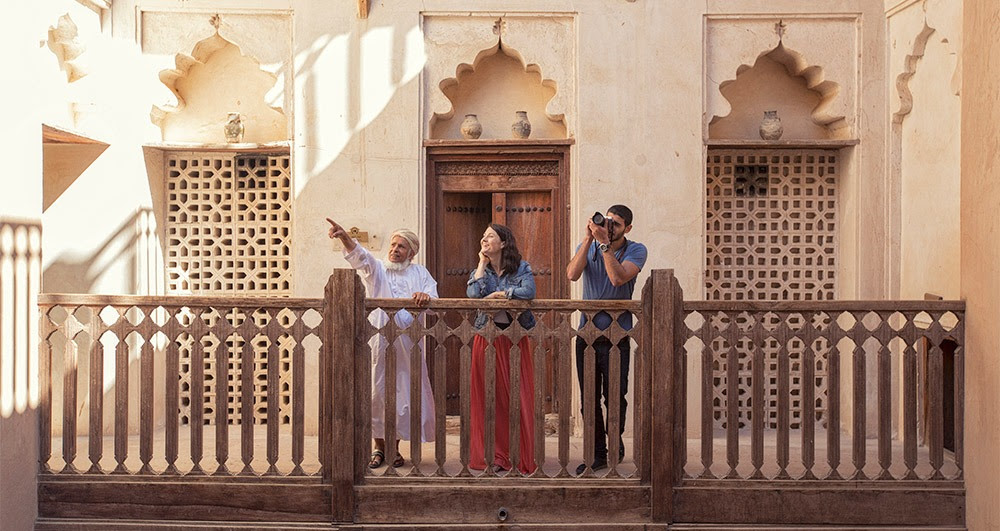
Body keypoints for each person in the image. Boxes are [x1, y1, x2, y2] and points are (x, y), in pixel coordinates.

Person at [327, 218, 437, 469]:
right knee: (377, 394)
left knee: (403, 397)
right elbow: (360, 257)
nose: (395, 249)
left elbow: (433, 300)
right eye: (393, 244)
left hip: (408, 344)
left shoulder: (420, 273)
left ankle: (394, 449)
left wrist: (425, 296)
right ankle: (378, 449)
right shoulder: (378, 269)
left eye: (401, 246)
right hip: (379, 342)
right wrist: (345, 237)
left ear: (412, 252)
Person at [566, 204, 647, 475]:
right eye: (608, 221)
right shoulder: (590, 244)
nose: (610, 228)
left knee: (614, 396)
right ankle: (597, 454)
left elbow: (617, 278)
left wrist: (604, 246)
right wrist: (589, 239)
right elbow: (571, 274)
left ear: (628, 229)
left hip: (617, 335)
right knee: (589, 398)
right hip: (587, 334)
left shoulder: (636, 249)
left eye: (617, 224)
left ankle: (616, 441)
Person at [467, 223, 537, 474]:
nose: (484, 240)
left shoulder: (521, 267)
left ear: (504, 243)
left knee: (516, 398)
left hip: (514, 340)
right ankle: (493, 455)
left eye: (490, 236)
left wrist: (500, 293)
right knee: (487, 398)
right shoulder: (480, 269)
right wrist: (481, 265)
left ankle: (517, 453)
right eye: (483, 236)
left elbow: (529, 291)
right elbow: (473, 295)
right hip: (485, 339)